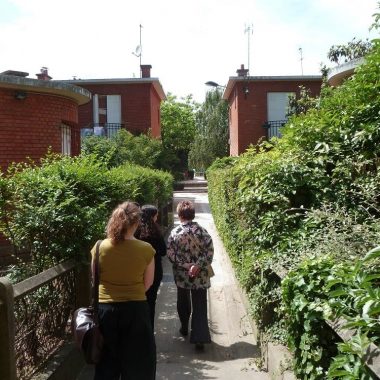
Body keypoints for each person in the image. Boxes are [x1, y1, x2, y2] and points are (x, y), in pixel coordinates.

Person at [91, 201, 156, 380]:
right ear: (136, 223)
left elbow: (94, 279)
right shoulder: (146, 249)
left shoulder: (98, 247)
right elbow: (148, 283)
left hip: (105, 311)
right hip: (136, 310)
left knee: (106, 364)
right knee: (138, 365)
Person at [167, 200, 214, 350]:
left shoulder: (175, 233)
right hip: (200, 275)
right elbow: (209, 251)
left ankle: (184, 327)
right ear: (192, 215)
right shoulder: (202, 231)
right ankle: (199, 338)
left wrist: (185, 265)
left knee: (183, 300)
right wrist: (197, 265)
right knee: (200, 304)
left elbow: (171, 253)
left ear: (179, 215)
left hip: (182, 274)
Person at [135, 204, 167, 329]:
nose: (157, 217)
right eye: (156, 215)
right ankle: (149, 331)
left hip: (138, 271)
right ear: (153, 216)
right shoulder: (156, 232)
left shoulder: (136, 232)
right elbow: (163, 251)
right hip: (155, 271)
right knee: (151, 302)